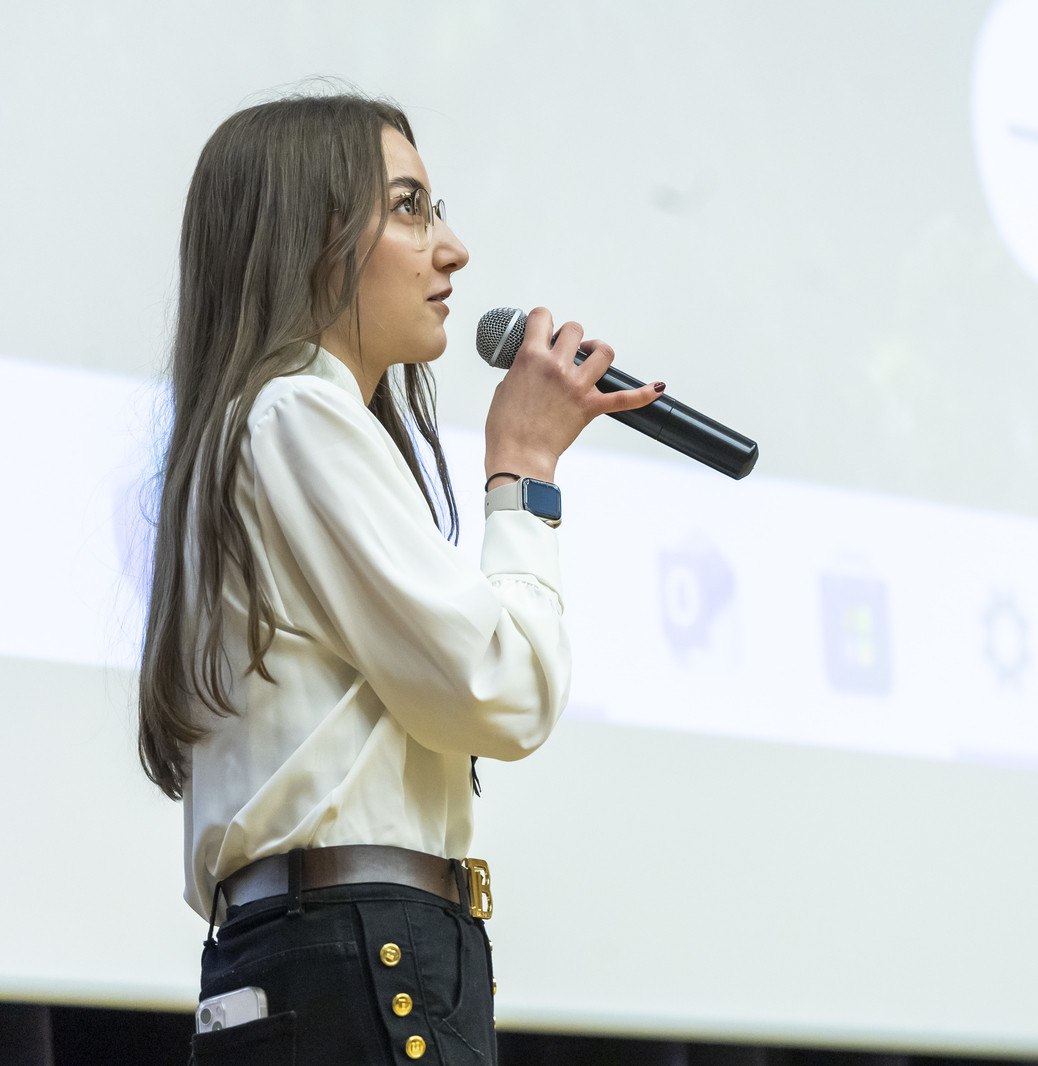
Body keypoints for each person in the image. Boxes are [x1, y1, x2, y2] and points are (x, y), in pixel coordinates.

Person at [136, 90, 661, 1065]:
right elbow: (503, 689)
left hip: (320, 958)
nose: (452, 249)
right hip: (362, 962)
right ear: (309, 238)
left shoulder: (254, 426)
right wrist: (523, 472)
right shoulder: (297, 415)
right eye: (411, 208)